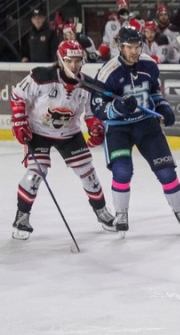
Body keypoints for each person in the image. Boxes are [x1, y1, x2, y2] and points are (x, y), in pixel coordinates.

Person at [90, 26, 180, 235]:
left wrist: (163, 106)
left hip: (146, 124)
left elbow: (154, 90)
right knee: (122, 171)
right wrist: (117, 108)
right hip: (119, 128)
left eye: (138, 46)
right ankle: (121, 213)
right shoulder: (108, 71)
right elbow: (97, 106)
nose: (135, 51)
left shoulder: (148, 64)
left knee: (166, 170)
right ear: (120, 47)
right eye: (130, 47)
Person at [9, 40, 115, 240]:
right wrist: (20, 121)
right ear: (60, 60)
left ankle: (101, 212)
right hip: (38, 132)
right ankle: (21, 217)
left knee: (88, 173)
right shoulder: (41, 76)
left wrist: (95, 127)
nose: (74, 65)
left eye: (78, 60)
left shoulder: (87, 85)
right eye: (69, 60)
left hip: (69, 134)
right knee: (35, 174)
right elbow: (17, 96)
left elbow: (91, 114)